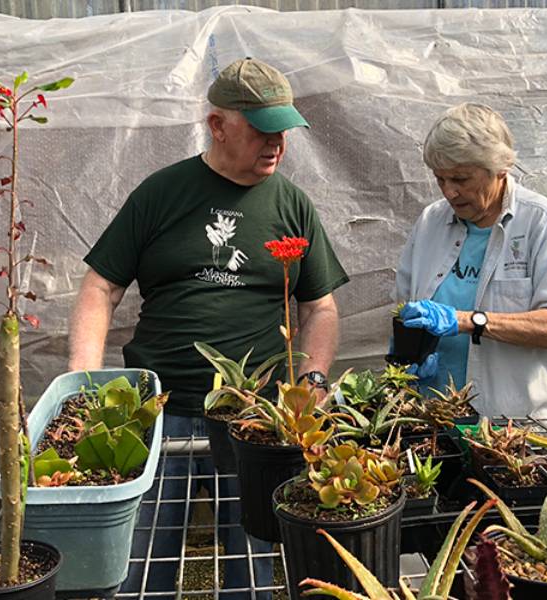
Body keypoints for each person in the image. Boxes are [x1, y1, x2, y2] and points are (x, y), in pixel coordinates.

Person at [68, 57, 349, 598]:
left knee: (253, 561)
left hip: (255, 424)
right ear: (217, 125)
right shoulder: (161, 193)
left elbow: (321, 308)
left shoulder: (291, 204)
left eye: (284, 131)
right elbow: (99, 287)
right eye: (262, 130)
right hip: (159, 413)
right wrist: (84, 383)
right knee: (138, 562)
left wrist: (312, 382)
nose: (277, 145)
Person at [394, 102, 547, 419]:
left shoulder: (541, 223)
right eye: (440, 179)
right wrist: (408, 359)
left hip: (518, 430)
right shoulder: (431, 222)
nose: (449, 192)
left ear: (500, 169)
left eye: (461, 179)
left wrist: (471, 321)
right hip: (434, 420)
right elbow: (406, 309)